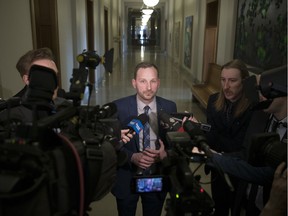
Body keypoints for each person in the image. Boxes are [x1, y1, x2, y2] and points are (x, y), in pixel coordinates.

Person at [205, 65, 287, 216]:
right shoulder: (261, 116)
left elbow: (268, 174)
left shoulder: (253, 111)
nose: (260, 96)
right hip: (248, 200)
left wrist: (212, 157)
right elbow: (246, 153)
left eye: (264, 91)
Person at [111, 62, 177, 216]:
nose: (148, 87)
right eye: (143, 81)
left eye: (153, 81)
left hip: (155, 176)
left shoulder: (169, 107)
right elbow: (111, 144)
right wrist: (132, 157)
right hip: (127, 177)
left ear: (158, 82)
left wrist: (165, 153)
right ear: (134, 83)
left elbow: (174, 143)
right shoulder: (119, 108)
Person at [205, 59, 253, 216]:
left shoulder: (252, 108)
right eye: (223, 80)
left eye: (232, 81)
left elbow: (239, 147)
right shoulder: (213, 101)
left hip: (239, 170)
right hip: (217, 168)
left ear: (244, 82)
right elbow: (210, 139)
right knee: (219, 206)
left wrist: (210, 133)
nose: (226, 87)